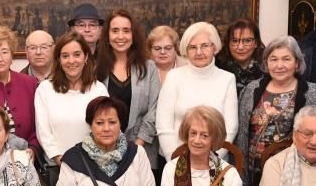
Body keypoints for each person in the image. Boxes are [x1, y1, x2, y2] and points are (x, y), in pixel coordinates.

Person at [236, 35, 316, 186]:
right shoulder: (251, 90)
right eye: (274, 59)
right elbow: (242, 133)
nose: (280, 65)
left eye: (286, 59)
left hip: (294, 177)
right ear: (266, 62)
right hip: (254, 174)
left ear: (297, 62)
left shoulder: (313, 93)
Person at [156, 22, 238, 160]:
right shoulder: (174, 76)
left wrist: (209, 159)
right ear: (186, 51)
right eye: (192, 47)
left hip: (215, 161)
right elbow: (163, 125)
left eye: (205, 46)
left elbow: (230, 128)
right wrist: (175, 160)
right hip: (175, 159)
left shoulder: (227, 79)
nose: (199, 52)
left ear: (214, 47)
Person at [96, 9, 161, 169]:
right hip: (104, 153)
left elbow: (155, 110)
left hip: (142, 149)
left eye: (126, 30)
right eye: (115, 31)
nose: (120, 36)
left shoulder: (149, 68)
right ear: (107, 36)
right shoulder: (95, 68)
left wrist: (136, 144)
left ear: (133, 35)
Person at [35, 32, 108, 166]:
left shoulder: (99, 89)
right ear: (59, 60)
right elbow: (43, 131)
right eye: (65, 56)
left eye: (77, 54)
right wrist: (60, 160)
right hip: (57, 167)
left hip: (94, 166)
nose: (71, 61)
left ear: (86, 57)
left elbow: (105, 128)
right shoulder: (45, 89)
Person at [216, 18, 265, 94]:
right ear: (228, 43)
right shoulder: (217, 67)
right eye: (235, 41)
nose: (240, 47)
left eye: (247, 41)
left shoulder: (267, 67)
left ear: (256, 43)